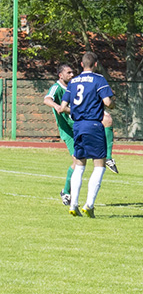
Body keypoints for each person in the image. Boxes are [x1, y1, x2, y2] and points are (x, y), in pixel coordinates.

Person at [44, 65, 120, 206]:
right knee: (76, 162)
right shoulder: (57, 87)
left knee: (108, 119)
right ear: (60, 75)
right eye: (69, 72)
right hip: (69, 130)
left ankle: (108, 157)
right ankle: (66, 192)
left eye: (73, 72)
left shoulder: (75, 84)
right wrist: (56, 106)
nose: (72, 74)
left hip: (82, 125)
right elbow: (47, 99)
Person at [60, 52, 116, 217]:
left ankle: (73, 204)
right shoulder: (99, 79)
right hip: (93, 125)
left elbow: (63, 106)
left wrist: (79, 112)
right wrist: (112, 102)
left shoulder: (73, 81)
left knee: (79, 165)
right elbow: (107, 102)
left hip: (77, 126)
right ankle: (89, 205)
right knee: (99, 165)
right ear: (96, 64)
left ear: (82, 65)